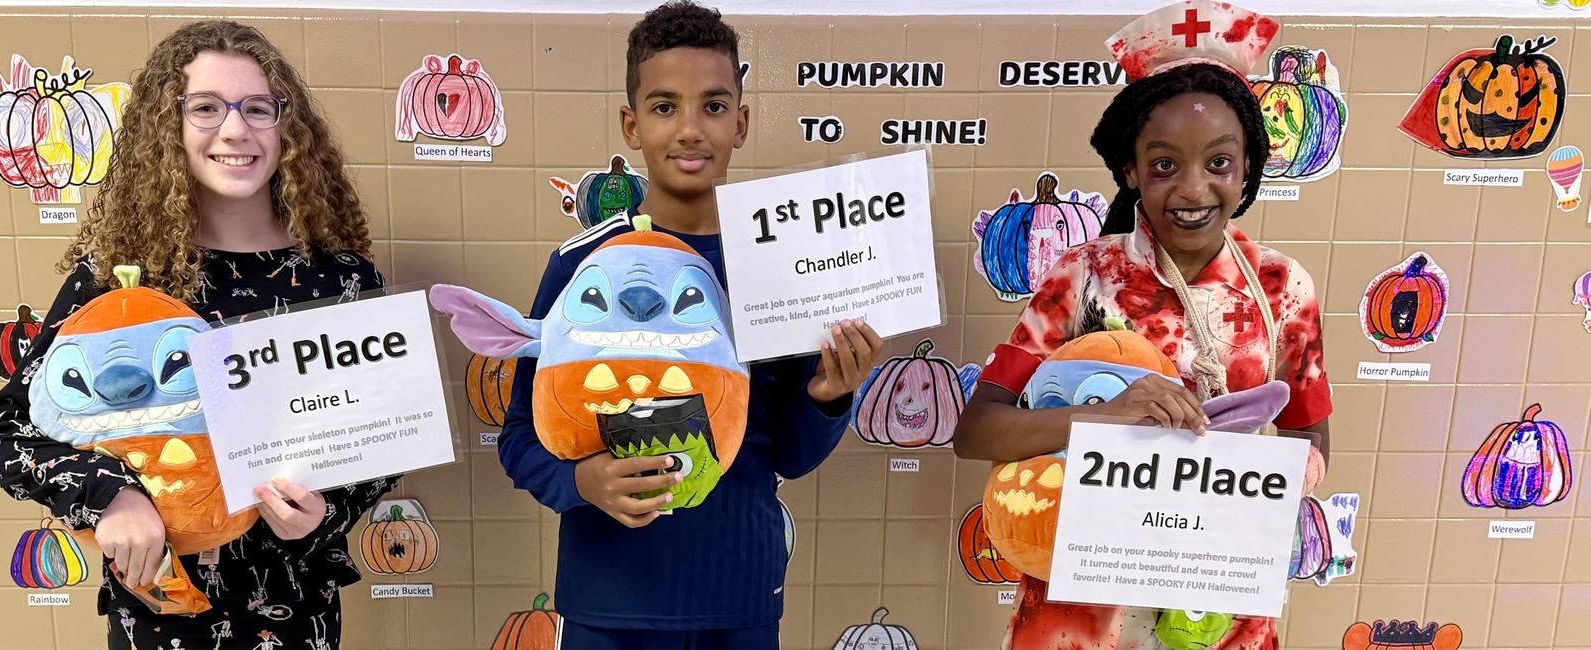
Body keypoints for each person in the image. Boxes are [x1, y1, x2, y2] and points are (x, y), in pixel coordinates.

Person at [0, 20, 392, 650]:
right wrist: (109, 496)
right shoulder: (119, 285)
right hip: (158, 616)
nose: (235, 129)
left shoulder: (343, 280)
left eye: (258, 108)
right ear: (164, 129)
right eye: (205, 108)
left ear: (289, 128)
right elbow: (8, 436)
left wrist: (326, 509)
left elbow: (380, 439)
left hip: (297, 614)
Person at [495, 2, 883, 647]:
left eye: (714, 105)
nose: (690, 130)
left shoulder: (780, 267)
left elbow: (788, 455)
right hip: (609, 593)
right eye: (665, 106)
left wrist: (829, 396)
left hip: (738, 590)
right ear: (631, 124)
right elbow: (519, 436)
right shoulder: (584, 266)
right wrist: (580, 480)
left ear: (743, 122)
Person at [950, 3, 1332, 648]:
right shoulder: (1081, 276)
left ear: (1247, 168)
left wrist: (1245, 474)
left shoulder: (1282, 288)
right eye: (1163, 164)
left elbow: (1310, 441)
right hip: (1082, 615)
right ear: (1129, 169)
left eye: (1218, 162)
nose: (1191, 188)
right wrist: (1105, 417)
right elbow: (976, 430)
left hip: (1217, 614)